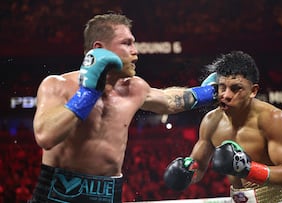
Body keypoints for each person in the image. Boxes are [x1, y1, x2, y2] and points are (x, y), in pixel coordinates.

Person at [29, 12, 217, 203]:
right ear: (99, 49)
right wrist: (89, 92)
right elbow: (46, 136)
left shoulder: (134, 88)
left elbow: (170, 100)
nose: (135, 50)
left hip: (108, 193)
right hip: (57, 193)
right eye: (127, 43)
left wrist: (212, 92)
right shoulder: (57, 85)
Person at [164, 51, 282, 203]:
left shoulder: (273, 119)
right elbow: (198, 167)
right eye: (222, 87)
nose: (226, 95)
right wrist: (185, 174)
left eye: (236, 89)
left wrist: (248, 168)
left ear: (253, 91)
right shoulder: (211, 121)